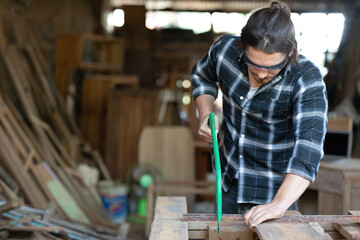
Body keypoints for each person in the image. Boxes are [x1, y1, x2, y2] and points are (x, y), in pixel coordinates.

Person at [191, 1, 328, 227]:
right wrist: (205, 113)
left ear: (290, 52)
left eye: (272, 67)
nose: (262, 73)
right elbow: (202, 76)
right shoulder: (225, 50)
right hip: (227, 179)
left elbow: (308, 147)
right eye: (253, 65)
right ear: (242, 46)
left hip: (275, 191)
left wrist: (279, 204)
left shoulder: (306, 78)